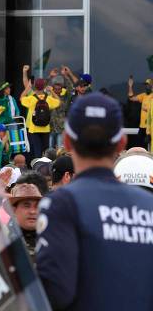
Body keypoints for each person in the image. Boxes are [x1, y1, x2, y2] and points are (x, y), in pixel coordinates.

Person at [36, 94, 153, 310]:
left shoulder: (61, 204)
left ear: (68, 142)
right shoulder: (149, 206)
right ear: (122, 142)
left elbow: (53, 292)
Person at [20, 69, 60, 159]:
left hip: (33, 128)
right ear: (44, 87)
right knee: (45, 151)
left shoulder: (31, 98)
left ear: (34, 86)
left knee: (36, 150)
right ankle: (45, 168)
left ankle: (37, 169)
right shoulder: (48, 98)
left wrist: (27, 88)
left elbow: (21, 98)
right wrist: (52, 91)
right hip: (45, 128)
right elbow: (58, 102)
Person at [8, 182, 42, 260]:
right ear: (14, 210)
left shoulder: (50, 240)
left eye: (37, 206)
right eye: (26, 205)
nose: (32, 211)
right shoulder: (4, 243)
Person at [128, 76, 153, 150]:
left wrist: (148, 109)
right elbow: (131, 98)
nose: (146, 87)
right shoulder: (143, 95)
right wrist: (130, 86)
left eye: (148, 85)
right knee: (140, 146)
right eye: (146, 85)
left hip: (149, 127)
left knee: (149, 146)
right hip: (142, 126)